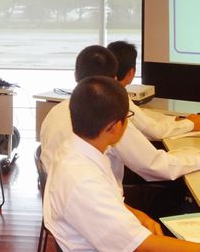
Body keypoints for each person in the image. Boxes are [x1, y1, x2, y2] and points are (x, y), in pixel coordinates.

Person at [44, 76, 200, 252]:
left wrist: (133, 212)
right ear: (116, 126)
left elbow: (104, 200)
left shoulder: (73, 151)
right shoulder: (83, 181)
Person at [40, 45, 200, 218]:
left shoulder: (55, 111)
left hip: (61, 205)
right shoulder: (107, 116)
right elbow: (157, 167)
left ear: (76, 75)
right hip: (98, 209)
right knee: (179, 193)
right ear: (115, 78)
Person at [108, 40, 200, 140]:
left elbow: (142, 115)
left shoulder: (106, 93)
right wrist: (191, 124)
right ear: (131, 72)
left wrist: (177, 120)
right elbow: (155, 132)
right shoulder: (118, 99)